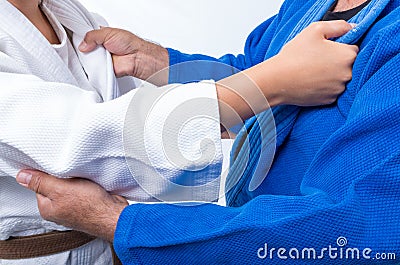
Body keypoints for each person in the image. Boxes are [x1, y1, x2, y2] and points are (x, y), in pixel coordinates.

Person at [18, 0, 400, 263]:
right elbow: (259, 67)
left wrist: (120, 222)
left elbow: (362, 235)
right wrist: (160, 61)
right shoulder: (309, 7)